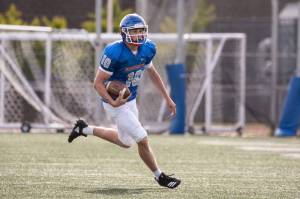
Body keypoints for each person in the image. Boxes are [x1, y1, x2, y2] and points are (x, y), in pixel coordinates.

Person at [68, 13, 181, 189]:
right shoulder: (114, 52)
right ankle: (160, 176)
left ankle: (84, 128)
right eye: (134, 32)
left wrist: (167, 97)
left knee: (126, 142)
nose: (139, 35)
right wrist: (112, 102)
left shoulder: (148, 48)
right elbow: (97, 83)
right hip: (114, 102)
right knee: (142, 138)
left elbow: (152, 73)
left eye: (141, 31)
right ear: (124, 33)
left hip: (130, 100)